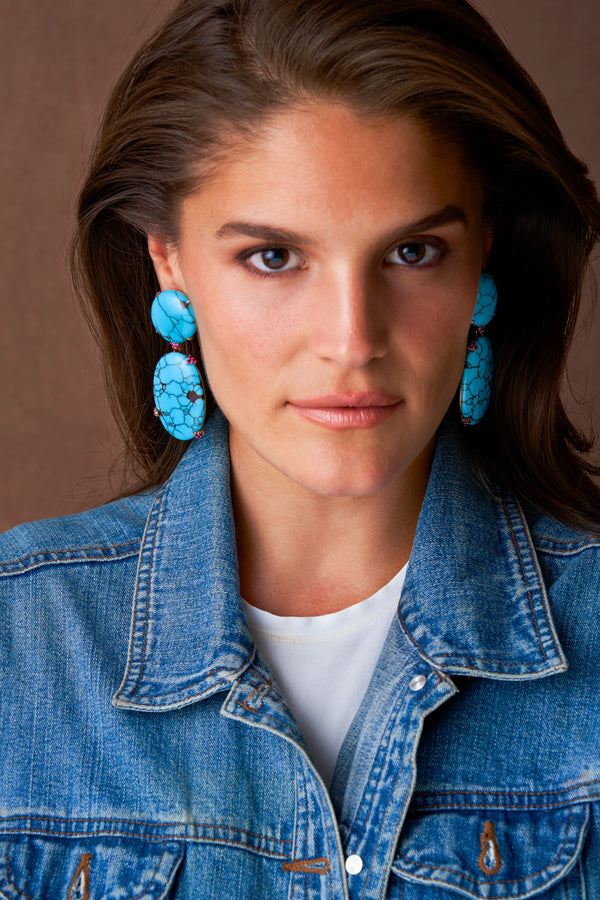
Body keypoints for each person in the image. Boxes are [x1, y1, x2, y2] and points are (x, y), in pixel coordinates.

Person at [1, 0, 599, 896]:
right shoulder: (21, 645)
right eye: (275, 256)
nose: (352, 341)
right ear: (169, 261)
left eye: (413, 252)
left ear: (485, 257)